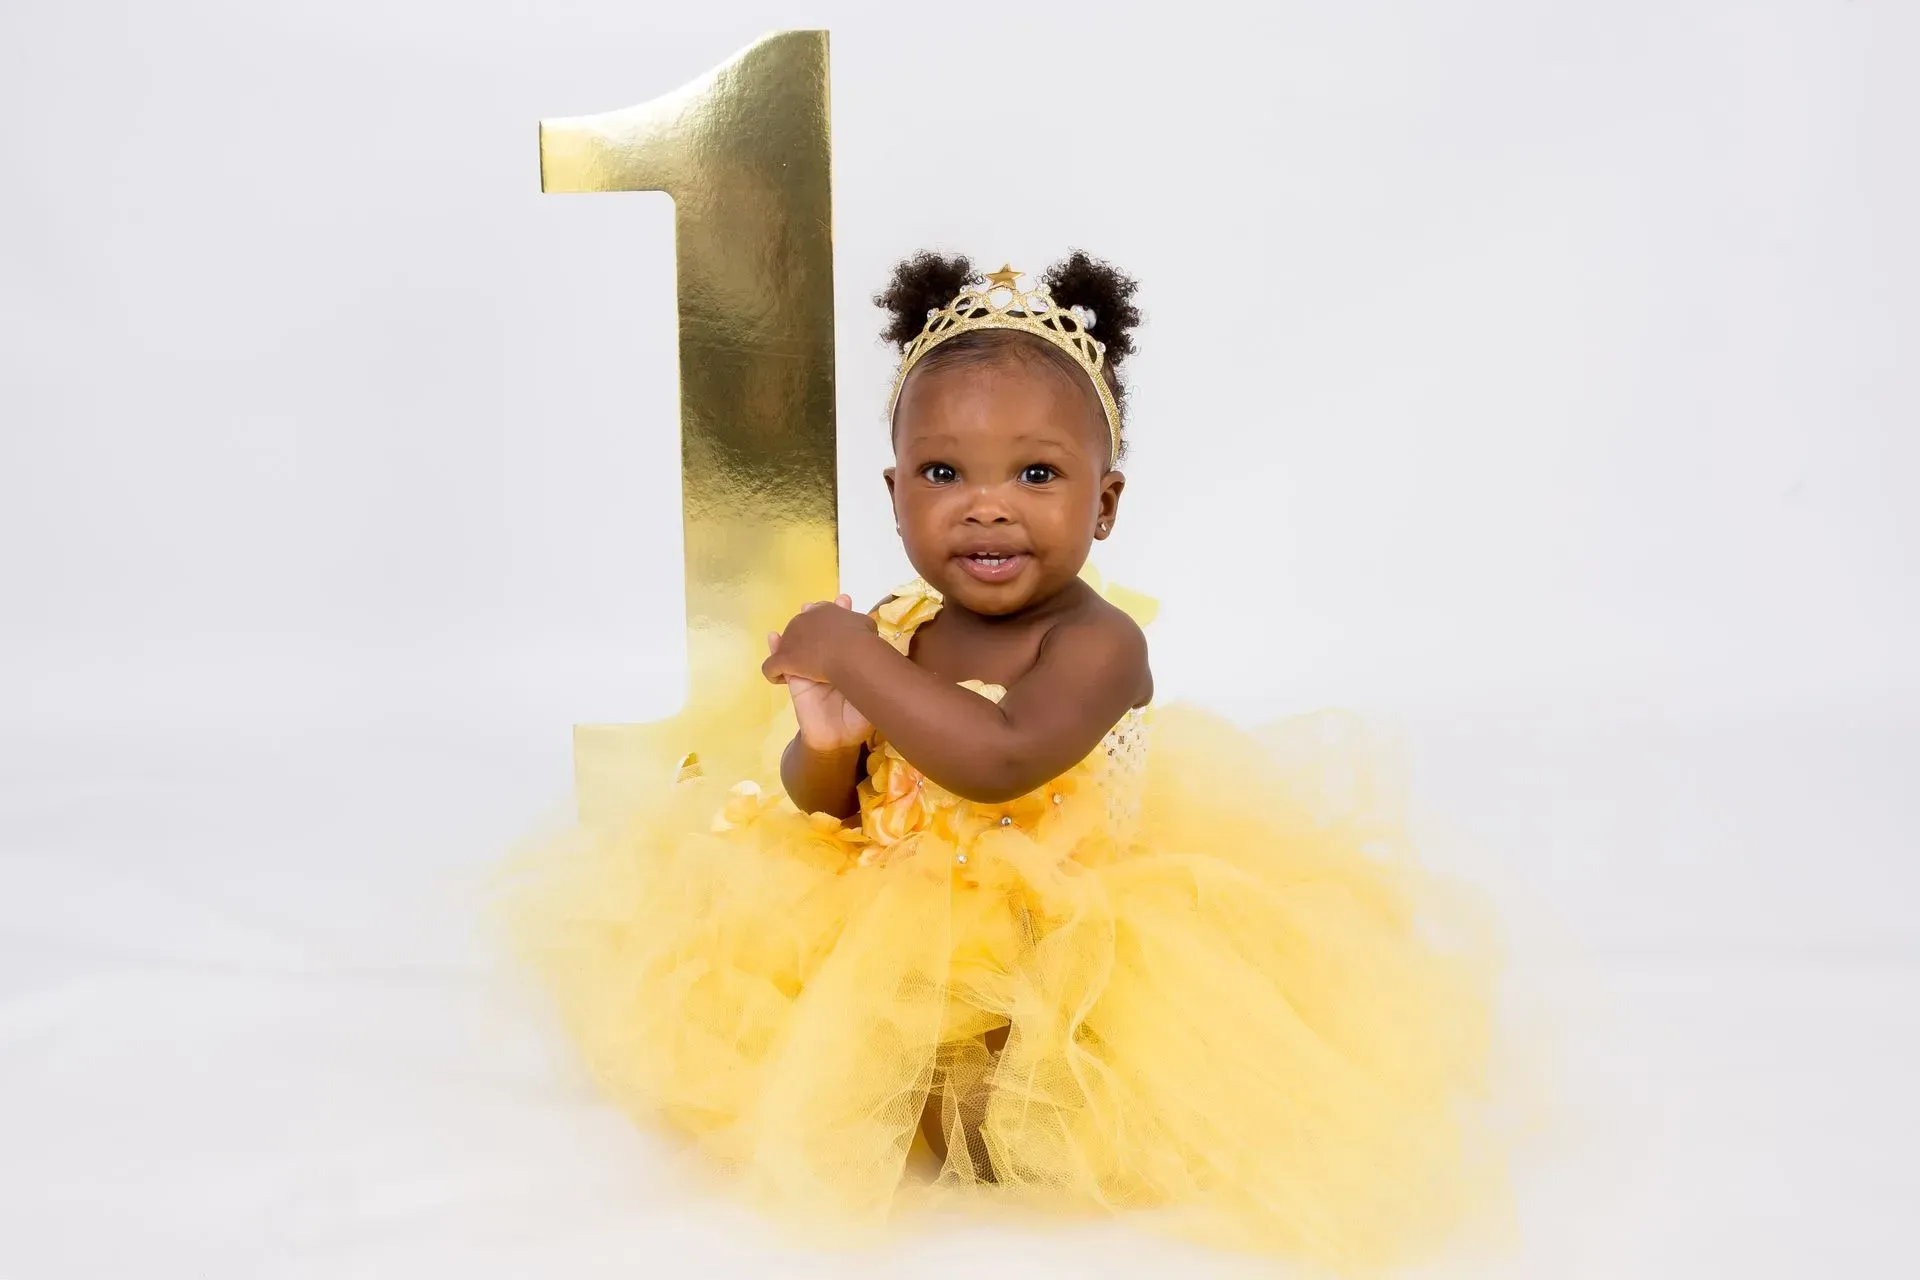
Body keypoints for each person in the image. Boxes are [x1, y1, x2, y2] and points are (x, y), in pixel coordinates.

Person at [506, 252, 1503, 1268]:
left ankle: (1020, 1097)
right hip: (893, 906)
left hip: (1060, 921)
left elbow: (1000, 757)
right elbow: (832, 806)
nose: (987, 505)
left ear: (1104, 502)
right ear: (896, 493)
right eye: (944, 473)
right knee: (813, 1042)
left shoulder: (1096, 643)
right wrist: (827, 735)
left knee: (1050, 1086)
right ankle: (914, 1082)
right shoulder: (902, 629)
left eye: (1037, 473)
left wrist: (849, 651)